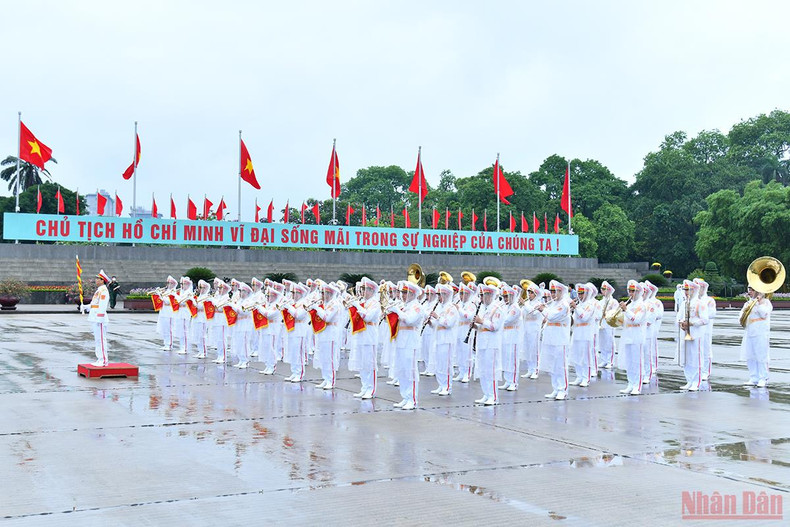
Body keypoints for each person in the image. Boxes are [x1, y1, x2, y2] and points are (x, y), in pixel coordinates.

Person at [538, 280, 571, 400]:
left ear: (561, 292)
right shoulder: (552, 304)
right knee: (553, 365)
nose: (552, 294)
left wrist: (543, 310)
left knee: (560, 365)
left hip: (560, 339)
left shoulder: (563, 304)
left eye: (555, 291)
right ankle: (556, 388)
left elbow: (552, 317)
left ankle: (563, 389)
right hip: (551, 338)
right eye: (551, 291)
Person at [677, 279, 709, 391]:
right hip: (685, 333)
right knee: (687, 358)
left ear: (694, 290)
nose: (686, 292)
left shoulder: (700, 303)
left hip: (696, 334)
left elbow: (705, 320)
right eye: (685, 289)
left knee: (696, 357)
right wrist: (681, 323)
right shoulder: (684, 303)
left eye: (688, 290)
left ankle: (696, 381)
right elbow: (678, 317)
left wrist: (692, 323)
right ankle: (689, 380)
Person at [739, 285, 773, 388]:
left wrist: (758, 303)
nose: (750, 292)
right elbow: (741, 317)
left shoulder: (766, 302)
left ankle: (763, 378)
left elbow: (764, 314)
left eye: (752, 290)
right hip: (750, 332)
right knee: (750, 356)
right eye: (749, 289)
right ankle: (754, 377)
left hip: (761, 333)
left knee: (761, 356)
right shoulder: (748, 303)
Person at [617, 280, 646, 395]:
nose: (631, 293)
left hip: (637, 335)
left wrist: (626, 310)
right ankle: (630, 383)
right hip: (628, 335)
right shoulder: (631, 304)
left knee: (637, 362)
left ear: (639, 292)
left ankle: (637, 386)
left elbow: (636, 319)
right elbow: (626, 320)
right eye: (629, 290)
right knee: (629, 361)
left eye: (633, 291)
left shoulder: (641, 305)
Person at [82, 270, 112, 366]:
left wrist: (100, 318)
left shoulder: (103, 291)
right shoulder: (99, 290)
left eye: (97, 279)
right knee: (97, 339)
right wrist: (86, 306)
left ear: (102, 280)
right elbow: (94, 304)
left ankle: (103, 360)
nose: (96, 280)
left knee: (101, 340)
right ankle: (99, 358)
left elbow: (103, 306)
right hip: (95, 316)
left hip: (100, 318)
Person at [597, 281, 617, 370]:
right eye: (602, 289)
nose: (603, 291)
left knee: (609, 342)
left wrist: (607, 313)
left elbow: (615, 312)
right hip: (601, 324)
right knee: (602, 342)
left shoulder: (613, 301)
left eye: (605, 289)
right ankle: (604, 360)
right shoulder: (601, 302)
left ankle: (610, 361)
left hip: (609, 324)